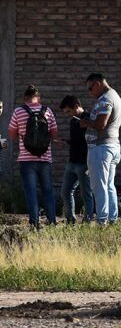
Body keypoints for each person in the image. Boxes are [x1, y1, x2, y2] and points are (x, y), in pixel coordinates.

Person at [7, 85, 58, 228]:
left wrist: (23, 135)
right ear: (39, 98)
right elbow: (54, 134)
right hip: (45, 158)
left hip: (26, 159)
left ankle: (35, 224)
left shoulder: (18, 111)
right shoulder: (47, 111)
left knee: (31, 192)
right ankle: (52, 221)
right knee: (47, 190)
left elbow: (11, 134)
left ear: (25, 98)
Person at [78, 73, 121, 225]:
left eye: (90, 88)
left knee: (99, 186)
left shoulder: (105, 99)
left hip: (101, 148)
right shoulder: (115, 96)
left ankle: (102, 220)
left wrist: (87, 123)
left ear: (97, 84)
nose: (90, 92)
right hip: (112, 146)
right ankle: (112, 219)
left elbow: (101, 124)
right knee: (109, 185)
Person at [58, 95, 94, 223]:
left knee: (86, 194)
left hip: (84, 164)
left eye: (69, 111)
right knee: (65, 192)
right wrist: (66, 141)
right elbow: (76, 140)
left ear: (77, 106)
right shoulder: (73, 121)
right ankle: (70, 220)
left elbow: (90, 141)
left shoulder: (88, 119)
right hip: (72, 162)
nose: (68, 114)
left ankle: (87, 221)